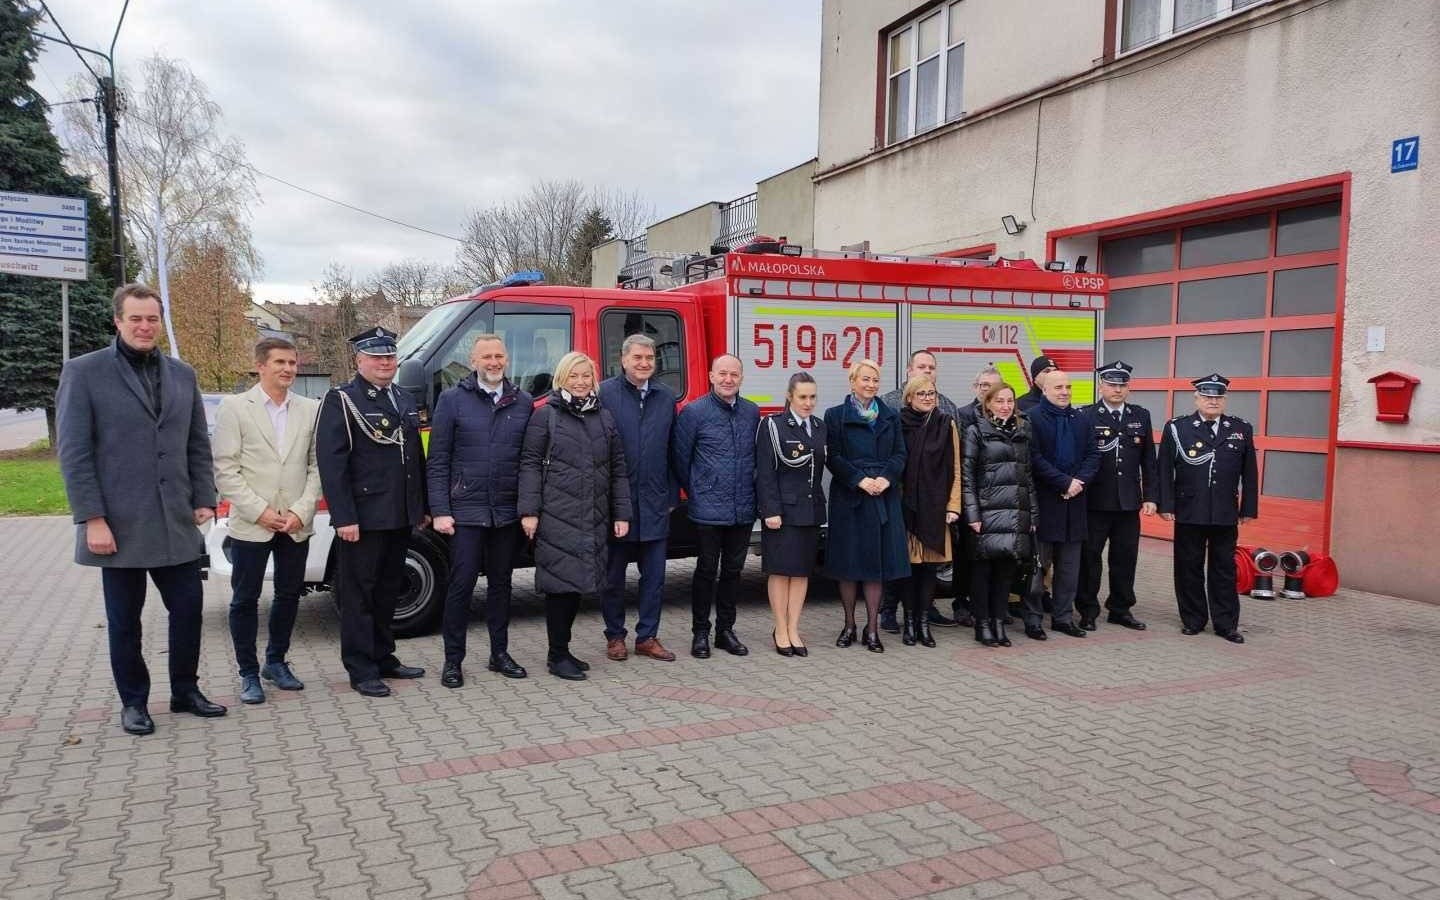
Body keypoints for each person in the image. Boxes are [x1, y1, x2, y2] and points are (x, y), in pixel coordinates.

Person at [56, 283, 226, 735]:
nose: (145, 327)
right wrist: (92, 518)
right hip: (118, 525)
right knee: (125, 622)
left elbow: (196, 442)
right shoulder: (84, 372)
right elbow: (74, 453)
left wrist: (204, 496)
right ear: (118, 321)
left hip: (175, 521)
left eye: (152, 319)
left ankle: (185, 690)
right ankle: (134, 702)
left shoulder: (181, 374)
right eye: (136, 318)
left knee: (188, 611)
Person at [316, 326, 430, 697]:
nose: (385, 363)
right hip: (363, 517)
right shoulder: (342, 400)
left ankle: (384, 656)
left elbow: (415, 457)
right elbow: (332, 465)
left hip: (399, 514)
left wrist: (422, 506)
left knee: (387, 591)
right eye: (377, 357)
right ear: (359, 360)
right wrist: (344, 516)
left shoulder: (403, 397)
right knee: (359, 595)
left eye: (390, 356)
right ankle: (361, 668)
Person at [212, 337, 322, 704]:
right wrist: (259, 511)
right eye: (280, 362)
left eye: (293, 362)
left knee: (289, 595)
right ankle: (248, 672)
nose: (288, 369)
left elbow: (316, 466)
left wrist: (300, 511)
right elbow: (226, 469)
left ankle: (275, 662)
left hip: (294, 524)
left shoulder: (309, 409)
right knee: (245, 599)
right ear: (260, 366)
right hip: (252, 523)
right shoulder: (235, 408)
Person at [427, 334, 533, 688]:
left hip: (506, 513)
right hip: (465, 512)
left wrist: (527, 508)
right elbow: (438, 460)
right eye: (486, 356)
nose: (493, 362)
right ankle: (453, 660)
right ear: (473, 361)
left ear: (507, 359)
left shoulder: (523, 402)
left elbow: (529, 462)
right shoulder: (452, 400)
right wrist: (440, 509)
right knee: (461, 586)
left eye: (499, 356)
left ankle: (498, 654)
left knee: (502, 586)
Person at [518, 351, 631, 680]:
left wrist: (621, 513)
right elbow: (528, 464)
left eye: (586, 376)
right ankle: (557, 656)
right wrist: (529, 511)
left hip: (591, 517)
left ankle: (564, 650)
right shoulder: (546, 416)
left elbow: (617, 469)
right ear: (561, 379)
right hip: (556, 516)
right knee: (560, 588)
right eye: (573, 376)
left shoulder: (603, 417)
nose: (580, 382)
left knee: (578, 585)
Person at [672, 354, 761, 659]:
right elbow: (681, 460)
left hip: (743, 507)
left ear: (741, 378)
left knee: (734, 571)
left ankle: (725, 630)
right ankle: (700, 633)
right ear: (711, 376)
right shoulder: (694, 412)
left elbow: (756, 458)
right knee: (706, 570)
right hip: (708, 507)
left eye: (734, 374)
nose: (728, 379)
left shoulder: (751, 412)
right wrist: (699, 489)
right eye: (722, 374)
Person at [1158, 373, 1258, 644]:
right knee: (1188, 566)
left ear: (1224, 399)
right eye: (1207, 396)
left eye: (1218, 397)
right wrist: (1165, 505)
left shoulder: (1240, 428)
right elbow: (1164, 469)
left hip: (1225, 512)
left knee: (1224, 568)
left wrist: (1248, 507)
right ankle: (1193, 619)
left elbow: (1249, 472)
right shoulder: (1178, 427)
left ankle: (1226, 624)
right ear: (1197, 398)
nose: (1213, 401)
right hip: (1189, 509)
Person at [598, 334, 679, 663]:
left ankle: (647, 636)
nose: (645, 363)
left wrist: (673, 494)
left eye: (650, 358)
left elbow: (674, 450)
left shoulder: (665, 397)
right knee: (614, 576)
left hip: (656, 502)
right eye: (638, 358)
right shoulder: (605, 394)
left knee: (655, 577)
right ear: (624, 359)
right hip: (618, 504)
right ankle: (615, 636)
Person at [824, 359, 910, 652]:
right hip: (850, 498)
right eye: (865, 379)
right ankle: (849, 624)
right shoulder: (834, 415)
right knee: (848, 566)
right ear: (852, 382)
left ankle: (872, 629)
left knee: (875, 566)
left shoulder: (890, 416)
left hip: (882, 497)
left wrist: (886, 478)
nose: (871, 384)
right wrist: (860, 480)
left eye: (875, 379)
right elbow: (833, 457)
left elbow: (900, 453)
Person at [880, 349, 961, 631]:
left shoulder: (948, 408)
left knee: (929, 563)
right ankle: (889, 610)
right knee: (901, 561)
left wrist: (952, 503)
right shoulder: (889, 405)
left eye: (931, 367)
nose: (927, 371)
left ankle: (925, 612)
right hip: (904, 500)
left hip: (934, 500)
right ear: (908, 370)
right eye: (921, 366)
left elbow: (954, 461)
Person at [1076, 361, 1155, 631]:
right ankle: (1087, 609)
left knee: (1125, 558)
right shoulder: (1086, 415)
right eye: (1112, 384)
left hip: (1128, 502)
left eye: (1122, 385)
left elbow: (1149, 460)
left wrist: (1150, 497)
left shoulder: (1140, 416)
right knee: (1090, 559)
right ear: (1101, 385)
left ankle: (1120, 608)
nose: (1117, 389)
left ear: (1128, 388)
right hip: (1095, 502)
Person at [755, 373, 826, 657]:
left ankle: (794, 627)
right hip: (782, 512)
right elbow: (764, 472)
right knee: (781, 571)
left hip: (810, 510)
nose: (808, 403)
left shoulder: (820, 427)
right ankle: (780, 628)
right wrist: (770, 510)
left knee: (801, 573)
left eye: (812, 397)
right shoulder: (773, 425)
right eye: (802, 397)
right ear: (789, 397)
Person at [962, 383, 1038, 647]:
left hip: (1015, 513)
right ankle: (982, 623)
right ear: (988, 403)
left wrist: (1033, 516)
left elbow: (1028, 477)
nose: (1005, 406)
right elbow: (967, 477)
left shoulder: (1023, 431)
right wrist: (972, 513)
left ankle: (997, 622)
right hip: (986, 513)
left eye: (1009, 401)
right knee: (982, 573)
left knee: (1006, 572)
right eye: (1000, 401)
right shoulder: (975, 432)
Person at [1025, 370, 1099, 640]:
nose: (1065, 391)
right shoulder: (1032, 418)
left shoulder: (1081, 420)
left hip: (1074, 505)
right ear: (1044, 390)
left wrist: (1078, 482)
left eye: (1068, 386)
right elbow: (1034, 458)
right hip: (1045, 505)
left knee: (1069, 569)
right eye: (1058, 387)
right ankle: (1033, 619)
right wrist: (1064, 483)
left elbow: (1093, 455)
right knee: (1038, 568)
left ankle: (1063, 617)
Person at [897, 376, 963, 648]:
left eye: (931, 393)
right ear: (909, 397)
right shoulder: (898, 424)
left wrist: (953, 505)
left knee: (930, 572)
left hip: (936, 510)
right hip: (907, 510)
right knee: (908, 571)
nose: (927, 397)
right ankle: (909, 623)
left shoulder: (945, 424)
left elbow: (957, 469)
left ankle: (924, 623)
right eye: (921, 393)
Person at [948, 364, 1003, 628]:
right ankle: (961, 602)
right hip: (970, 497)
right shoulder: (962, 415)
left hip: (999, 499)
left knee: (996, 558)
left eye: (993, 386)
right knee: (966, 556)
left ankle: (993, 608)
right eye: (983, 386)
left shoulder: (1009, 415)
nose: (987, 391)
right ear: (975, 387)